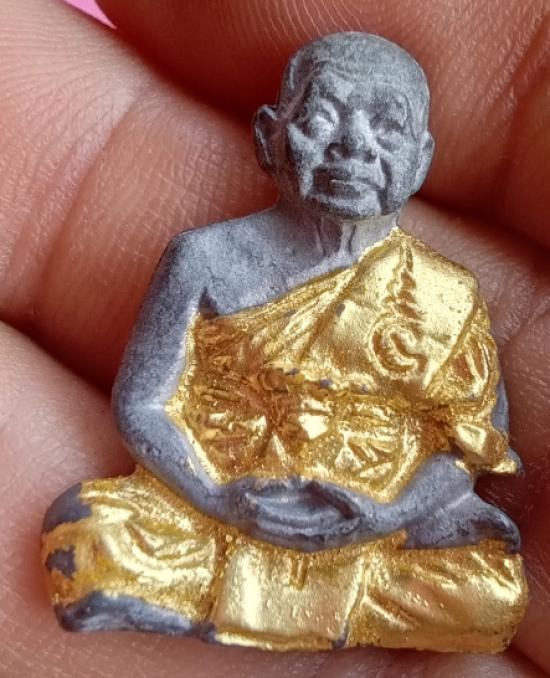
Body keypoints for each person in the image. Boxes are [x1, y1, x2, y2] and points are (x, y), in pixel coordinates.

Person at [1, 0, 547, 675]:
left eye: (387, 126)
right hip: (221, 500)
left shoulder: (446, 293)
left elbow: (466, 445)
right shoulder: (205, 259)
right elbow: (143, 404)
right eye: (321, 120)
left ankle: (247, 599)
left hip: (378, 514)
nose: (353, 147)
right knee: (88, 540)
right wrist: (220, 498)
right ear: (269, 136)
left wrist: (382, 515)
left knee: (491, 594)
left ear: (421, 160)